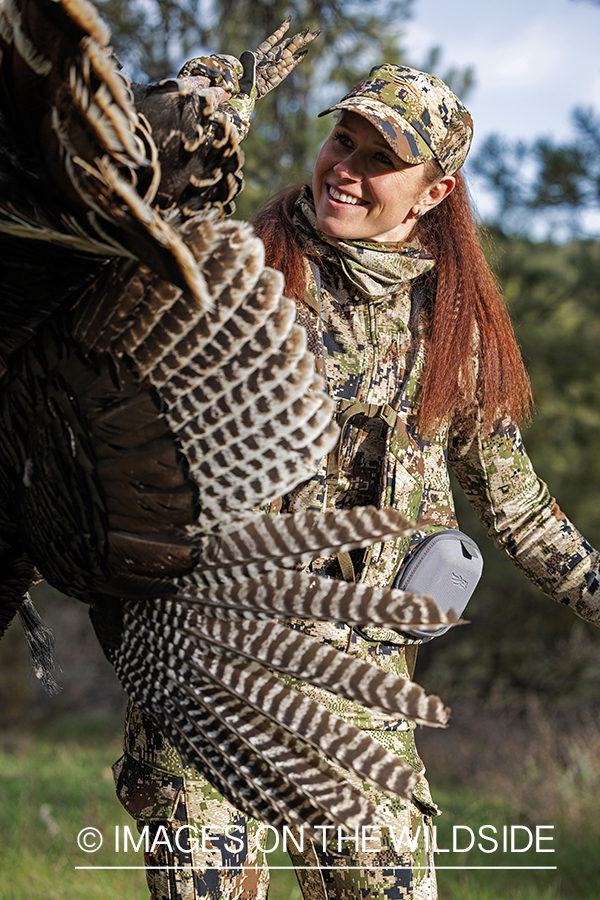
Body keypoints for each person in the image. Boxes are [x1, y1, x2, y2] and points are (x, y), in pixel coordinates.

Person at [115, 63, 600, 900]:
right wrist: (186, 112)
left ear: (434, 191)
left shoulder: (452, 327)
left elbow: (517, 508)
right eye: (345, 139)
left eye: (381, 158)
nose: (346, 166)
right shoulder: (235, 272)